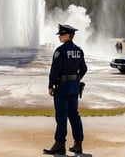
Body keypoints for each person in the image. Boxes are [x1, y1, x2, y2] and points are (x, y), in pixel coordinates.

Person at [43, 24, 88, 155]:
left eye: (61, 34)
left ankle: (59, 144)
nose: (60, 37)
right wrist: (75, 80)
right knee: (74, 115)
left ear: (68, 35)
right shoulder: (78, 50)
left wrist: (51, 85)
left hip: (62, 87)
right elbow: (84, 68)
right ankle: (78, 144)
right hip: (74, 87)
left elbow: (55, 70)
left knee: (61, 116)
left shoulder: (60, 51)